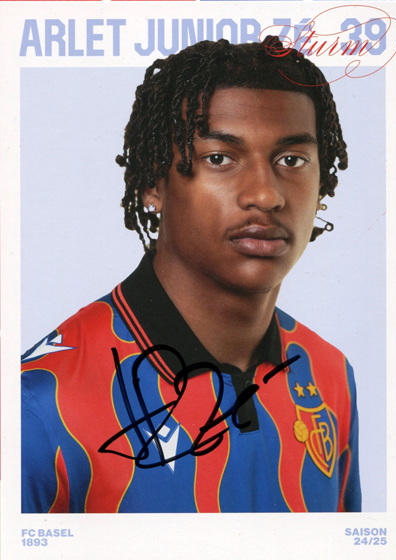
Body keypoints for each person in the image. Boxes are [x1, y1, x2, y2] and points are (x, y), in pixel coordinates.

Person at [21, 37, 361, 513]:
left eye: (292, 160)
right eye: (219, 158)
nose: (266, 195)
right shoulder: (40, 403)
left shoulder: (329, 374)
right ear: (152, 184)